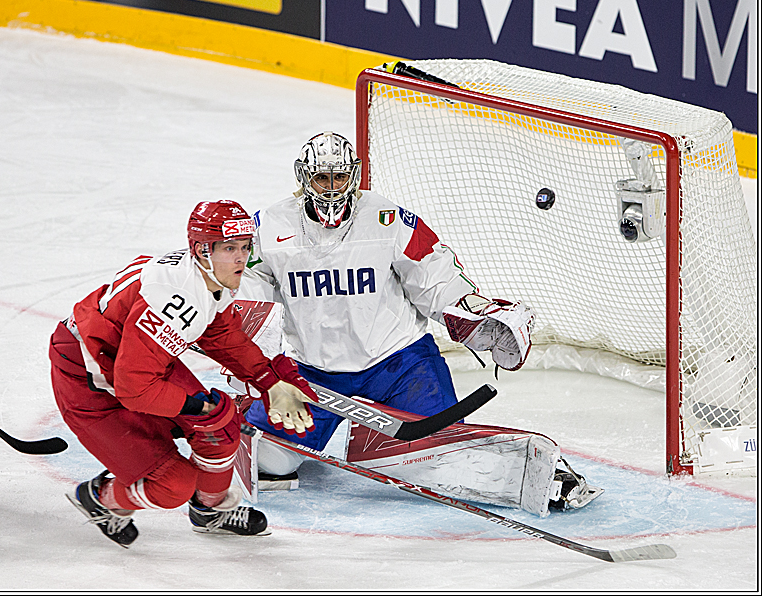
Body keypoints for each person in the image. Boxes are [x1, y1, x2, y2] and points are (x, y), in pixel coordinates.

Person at [236, 132, 599, 514]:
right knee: (272, 461)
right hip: (313, 373)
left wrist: (471, 312)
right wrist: (252, 357)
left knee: (439, 455)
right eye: (321, 179)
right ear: (303, 178)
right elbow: (246, 288)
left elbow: (434, 273)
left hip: (399, 363)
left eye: (339, 178)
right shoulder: (268, 228)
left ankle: (550, 479)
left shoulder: (387, 218)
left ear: (354, 176)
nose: (330, 189)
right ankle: (247, 412)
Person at [49, 200, 316, 547]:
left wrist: (269, 380)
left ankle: (211, 509)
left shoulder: (205, 274)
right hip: (86, 373)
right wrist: (199, 408)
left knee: (220, 426)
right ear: (202, 250)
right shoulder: (175, 297)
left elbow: (219, 334)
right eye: (230, 248)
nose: (241, 258)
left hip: (127, 357)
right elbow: (135, 389)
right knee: (172, 485)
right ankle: (104, 499)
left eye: (245, 247)